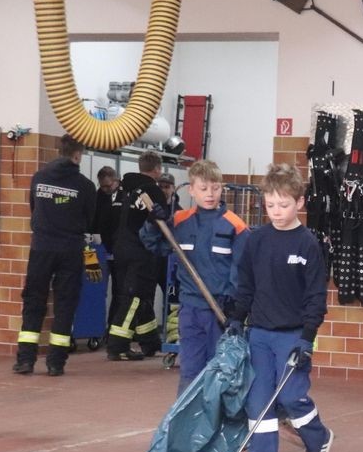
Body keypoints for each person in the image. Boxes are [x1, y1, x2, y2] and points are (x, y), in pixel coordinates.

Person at [224, 163, 333, 452]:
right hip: (258, 334)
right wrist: (235, 319)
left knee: (292, 397)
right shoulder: (255, 241)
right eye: (270, 205)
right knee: (258, 403)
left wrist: (307, 339)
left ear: (299, 203)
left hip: (293, 336)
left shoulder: (308, 244)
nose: (276, 211)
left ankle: (318, 439)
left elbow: (316, 296)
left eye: (283, 205)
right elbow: (246, 286)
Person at [141, 160, 248, 394]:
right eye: (203, 188)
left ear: (222, 188)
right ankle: (189, 423)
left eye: (215, 188)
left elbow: (243, 270)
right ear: (191, 190)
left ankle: (220, 424)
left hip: (220, 311)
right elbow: (154, 245)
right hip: (190, 310)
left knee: (222, 372)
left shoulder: (235, 226)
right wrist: (152, 224)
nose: (210, 194)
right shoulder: (180, 221)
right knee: (190, 370)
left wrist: (236, 308)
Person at [13, 134, 98, 376]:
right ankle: (55, 363)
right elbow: (89, 220)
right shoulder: (85, 185)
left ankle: (25, 360)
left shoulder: (39, 178)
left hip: (41, 247)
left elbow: (33, 207)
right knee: (65, 304)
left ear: (59, 151)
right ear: (77, 155)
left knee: (33, 301)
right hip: (70, 250)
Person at [106, 152, 169, 361]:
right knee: (133, 297)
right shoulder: (152, 191)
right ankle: (118, 345)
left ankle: (149, 341)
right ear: (157, 169)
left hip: (119, 248)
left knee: (137, 295)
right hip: (140, 250)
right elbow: (163, 221)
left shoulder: (121, 189)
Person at [92, 165, 121, 328]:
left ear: (116, 181)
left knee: (119, 291)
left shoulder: (125, 196)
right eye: (102, 186)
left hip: (117, 251)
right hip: (96, 249)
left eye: (108, 186)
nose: (105, 189)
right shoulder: (96, 197)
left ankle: (113, 327)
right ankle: (95, 326)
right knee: (94, 289)